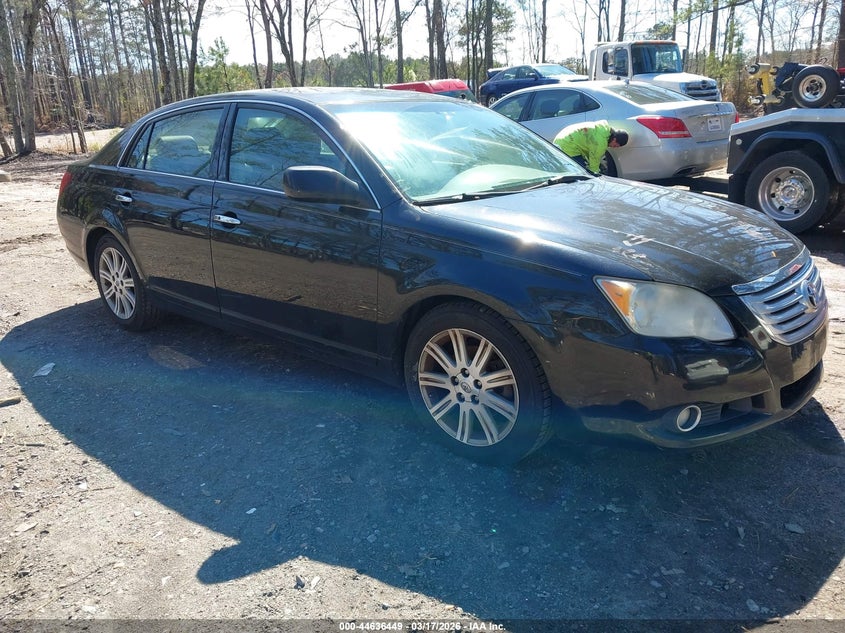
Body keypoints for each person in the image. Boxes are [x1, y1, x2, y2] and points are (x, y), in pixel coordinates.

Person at [553, 120, 629, 175]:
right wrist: (596, 178)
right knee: (580, 173)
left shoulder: (602, 130)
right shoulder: (600, 143)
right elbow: (594, 164)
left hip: (562, 139)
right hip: (568, 145)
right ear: (614, 139)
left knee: (577, 169)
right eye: (615, 145)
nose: (613, 147)